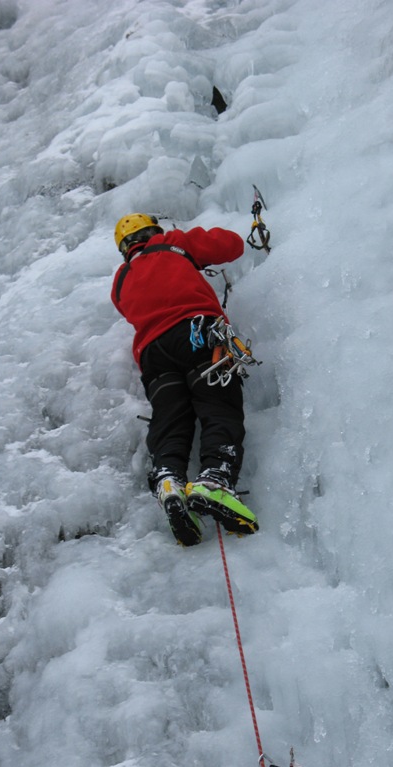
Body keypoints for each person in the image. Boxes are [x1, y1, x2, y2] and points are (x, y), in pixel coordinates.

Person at [111, 213, 258, 546]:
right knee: (218, 406)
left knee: (170, 419)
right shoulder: (172, 243)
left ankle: (169, 479)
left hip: (154, 355)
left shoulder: (120, 280)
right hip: (198, 334)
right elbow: (231, 246)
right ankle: (215, 479)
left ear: (124, 248)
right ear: (153, 232)